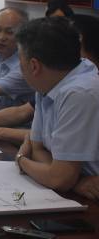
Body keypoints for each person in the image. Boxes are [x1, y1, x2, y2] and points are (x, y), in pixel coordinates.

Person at [0, 13, 99, 145]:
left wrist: (18, 153)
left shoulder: (79, 92)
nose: (1, 37)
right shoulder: (48, 83)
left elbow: (59, 164)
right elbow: (24, 114)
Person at [14, 17, 99, 192]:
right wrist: (72, 181)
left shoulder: (79, 93)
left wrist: (21, 159)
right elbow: (38, 149)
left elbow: (59, 179)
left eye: (20, 61)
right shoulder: (47, 84)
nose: (19, 67)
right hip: (80, 191)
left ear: (34, 66)